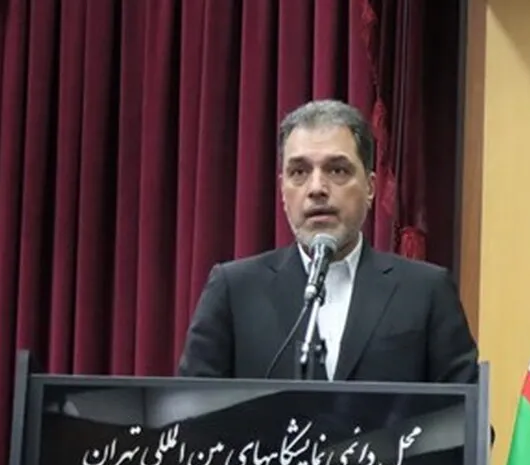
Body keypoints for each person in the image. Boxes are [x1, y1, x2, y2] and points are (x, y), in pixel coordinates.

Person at [177, 99, 480, 384]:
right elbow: (191, 411)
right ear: (283, 190)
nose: (317, 188)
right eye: (299, 172)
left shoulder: (425, 291)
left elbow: (466, 413)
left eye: (337, 170)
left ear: (370, 188)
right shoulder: (234, 290)